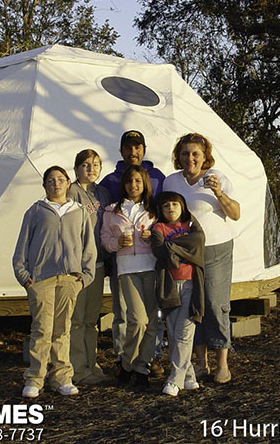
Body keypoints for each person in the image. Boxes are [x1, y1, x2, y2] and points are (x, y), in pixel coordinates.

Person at [12, 166, 95, 398]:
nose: (56, 184)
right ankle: (35, 378)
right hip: (41, 279)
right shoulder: (36, 211)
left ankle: (61, 377)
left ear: (68, 183)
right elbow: (23, 245)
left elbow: (88, 246)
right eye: (50, 180)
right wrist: (24, 276)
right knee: (41, 329)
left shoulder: (79, 211)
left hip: (69, 278)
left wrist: (84, 276)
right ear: (44, 186)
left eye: (60, 180)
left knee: (63, 329)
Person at [163, 133, 240, 384]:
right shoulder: (172, 181)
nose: (190, 158)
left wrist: (219, 192)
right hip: (186, 252)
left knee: (216, 305)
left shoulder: (217, 177)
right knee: (192, 305)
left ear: (205, 156)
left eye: (196, 153)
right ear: (179, 156)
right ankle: (200, 363)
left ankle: (222, 363)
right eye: (185, 153)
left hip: (216, 248)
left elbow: (236, 214)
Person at [98, 130, 167, 372]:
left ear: (144, 149)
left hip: (150, 258)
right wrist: (110, 249)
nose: (133, 152)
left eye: (137, 147)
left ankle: (152, 355)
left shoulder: (158, 177)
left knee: (151, 311)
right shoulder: (109, 181)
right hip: (123, 258)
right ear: (121, 151)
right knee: (123, 310)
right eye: (128, 147)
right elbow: (104, 221)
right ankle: (123, 357)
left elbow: (167, 213)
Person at [100, 165, 157, 388]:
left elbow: (163, 236)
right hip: (127, 269)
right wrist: (117, 243)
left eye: (138, 182)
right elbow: (105, 239)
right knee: (138, 319)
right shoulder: (112, 211)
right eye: (130, 181)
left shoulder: (153, 210)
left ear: (144, 185)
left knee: (152, 322)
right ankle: (126, 362)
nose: (133, 186)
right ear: (124, 184)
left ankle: (142, 367)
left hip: (151, 267)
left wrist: (151, 236)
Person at [150, 191, 205, 396]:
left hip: (191, 284)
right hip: (169, 285)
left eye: (175, 204)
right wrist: (184, 247)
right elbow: (159, 251)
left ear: (182, 207)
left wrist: (171, 246)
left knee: (184, 333)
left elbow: (198, 241)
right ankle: (189, 376)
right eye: (166, 206)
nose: (171, 209)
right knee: (173, 333)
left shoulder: (190, 225)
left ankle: (175, 380)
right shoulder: (158, 228)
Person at [68, 149, 113, 387]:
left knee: (90, 319)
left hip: (97, 263)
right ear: (76, 169)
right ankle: (77, 368)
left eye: (95, 164)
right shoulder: (70, 192)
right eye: (85, 165)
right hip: (77, 265)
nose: (91, 169)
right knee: (76, 319)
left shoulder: (103, 193)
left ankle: (91, 363)